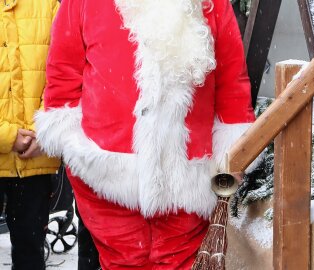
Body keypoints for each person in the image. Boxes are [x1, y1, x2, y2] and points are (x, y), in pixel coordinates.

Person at [35, 0, 256, 268]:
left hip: (188, 183)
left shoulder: (214, 5)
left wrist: (233, 156)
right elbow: (63, 78)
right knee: (122, 263)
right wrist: (75, 152)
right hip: (106, 179)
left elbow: (232, 83)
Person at [0, 0, 60, 269]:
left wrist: (43, 130)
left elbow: (65, 72)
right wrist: (5, 136)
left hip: (34, 161)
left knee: (29, 255)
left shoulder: (48, 6)